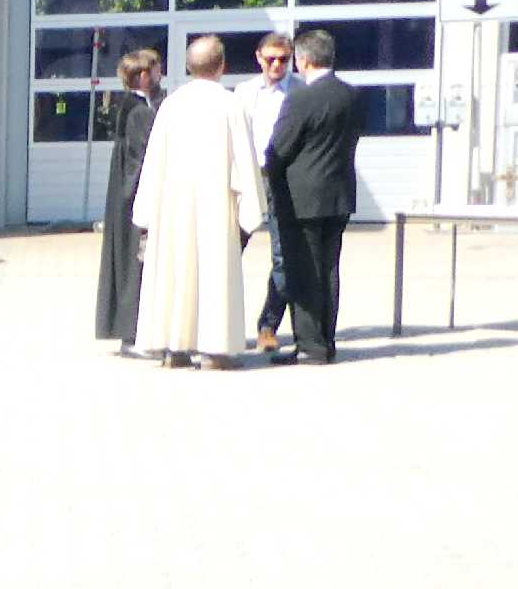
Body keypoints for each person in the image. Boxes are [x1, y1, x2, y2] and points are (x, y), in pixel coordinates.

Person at [132, 36, 269, 368]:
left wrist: (146, 209)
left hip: (173, 206)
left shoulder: (172, 105)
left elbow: (153, 161)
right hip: (215, 205)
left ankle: (174, 347)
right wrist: (252, 206)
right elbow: (244, 159)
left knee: (174, 272)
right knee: (213, 273)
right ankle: (215, 349)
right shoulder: (230, 104)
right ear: (222, 66)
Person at [267, 29, 364, 364]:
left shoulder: (300, 99)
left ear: (303, 60)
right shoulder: (352, 96)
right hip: (338, 194)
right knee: (328, 270)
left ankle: (310, 345)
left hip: (301, 199)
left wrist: (272, 179)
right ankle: (326, 340)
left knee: (304, 271)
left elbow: (278, 149)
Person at [93, 48, 164, 347]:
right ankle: (132, 335)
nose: (161, 73)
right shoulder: (139, 113)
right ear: (144, 75)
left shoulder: (129, 107)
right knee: (135, 264)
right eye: (157, 68)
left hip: (125, 197)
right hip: (135, 200)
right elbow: (145, 158)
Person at [237, 32, 296, 351]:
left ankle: (268, 325)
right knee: (229, 250)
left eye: (283, 59)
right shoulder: (244, 92)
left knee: (283, 256)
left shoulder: (299, 91)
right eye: (270, 59)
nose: (276, 65)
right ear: (259, 57)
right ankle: (223, 324)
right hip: (247, 177)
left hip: (282, 179)